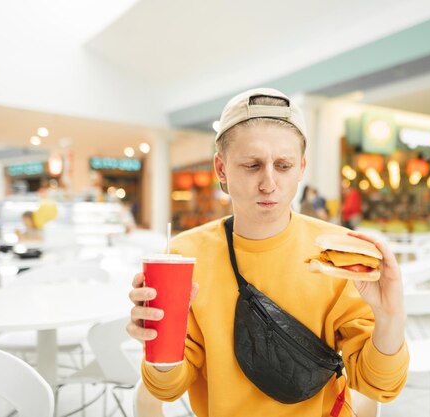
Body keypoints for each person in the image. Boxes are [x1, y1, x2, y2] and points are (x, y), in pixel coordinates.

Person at [127, 88, 408, 417]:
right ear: (221, 169)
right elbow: (168, 388)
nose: (269, 183)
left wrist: (390, 317)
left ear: (302, 168)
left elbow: (379, 387)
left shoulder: (337, 253)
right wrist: (159, 344)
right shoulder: (185, 255)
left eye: (284, 165)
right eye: (252, 165)